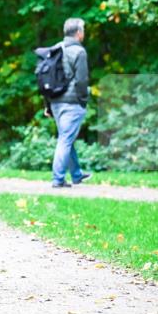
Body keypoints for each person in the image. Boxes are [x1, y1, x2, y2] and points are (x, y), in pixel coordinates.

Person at [47, 17, 91, 188]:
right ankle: (57, 179)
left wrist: (48, 105)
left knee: (67, 138)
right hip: (72, 103)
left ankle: (76, 174)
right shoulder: (79, 52)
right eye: (83, 30)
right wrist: (83, 100)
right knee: (65, 139)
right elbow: (81, 81)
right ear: (79, 33)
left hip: (56, 103)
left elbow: (47, 79)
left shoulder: (56, 48)